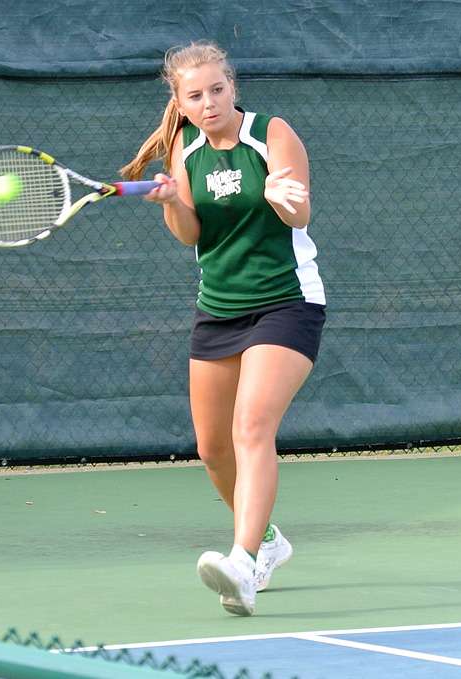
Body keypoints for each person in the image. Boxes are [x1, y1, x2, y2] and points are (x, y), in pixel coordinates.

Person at [121, 41, 326, 617]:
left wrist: (278, 197)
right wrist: (167, 199)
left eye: (218, 89)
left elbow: (299, 213)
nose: (209, 102)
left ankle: (240, 562)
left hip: (286, 302)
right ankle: (267, 542)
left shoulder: (272, 133)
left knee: (252, 424)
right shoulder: (184, 149)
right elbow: (191, 233)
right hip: (218, 307)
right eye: (195, 95)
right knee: (214, 451)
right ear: (180, 103)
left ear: (232, 88)